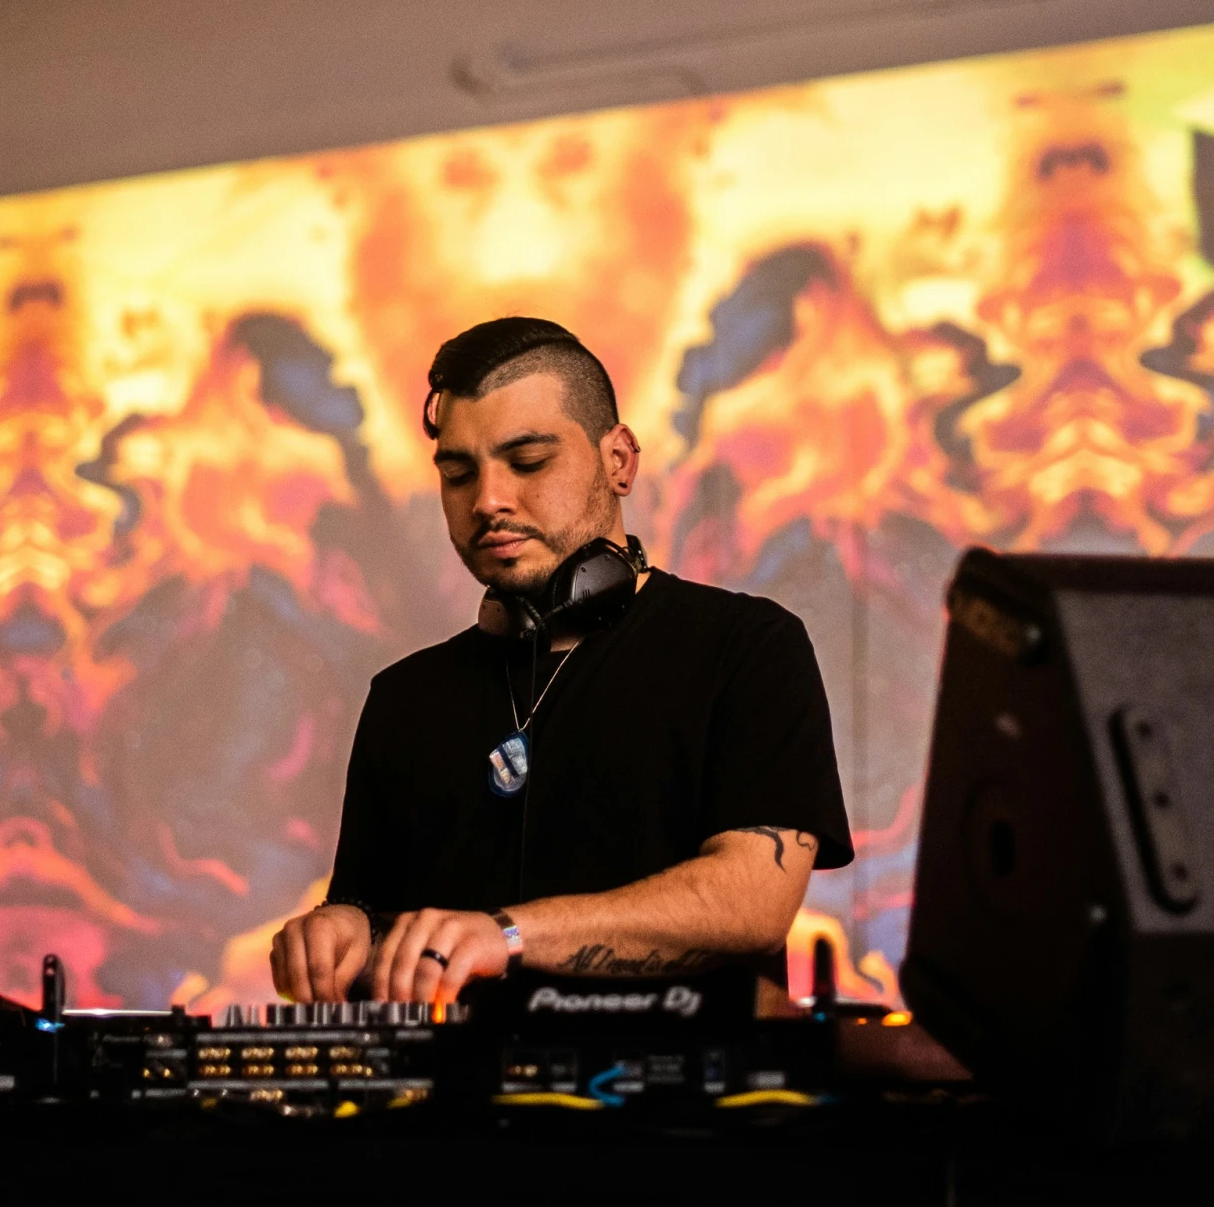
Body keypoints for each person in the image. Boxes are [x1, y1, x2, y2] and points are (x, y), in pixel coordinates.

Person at [268, 317, 851, 1005]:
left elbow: (752, 902)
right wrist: (339, 933)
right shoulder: (404, 697)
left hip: (679, 1110)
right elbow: (372, 921)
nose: (488, 500)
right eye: (459, 473)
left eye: (528, 462)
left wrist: (505, 936)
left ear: (619, 460)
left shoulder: (747, 647)